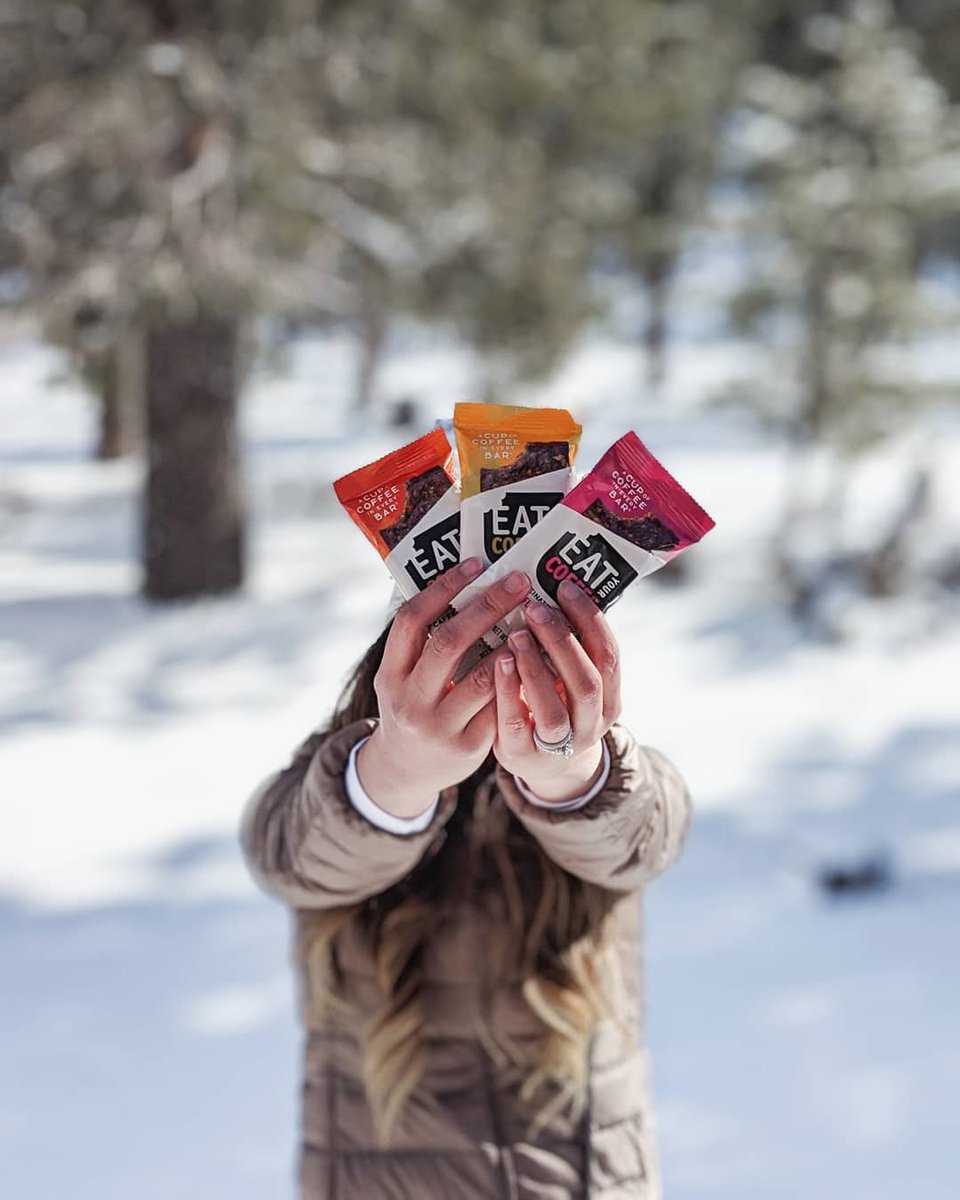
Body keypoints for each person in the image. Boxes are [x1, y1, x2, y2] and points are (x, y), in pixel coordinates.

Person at [240, 555, 691, 1199]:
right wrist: (394, 775)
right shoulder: (335, 779)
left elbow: (649, 832)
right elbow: (289, 851)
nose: (496, 675)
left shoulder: (612, 783)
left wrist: (575, 776)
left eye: (524, 651)